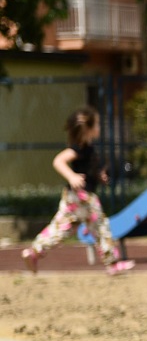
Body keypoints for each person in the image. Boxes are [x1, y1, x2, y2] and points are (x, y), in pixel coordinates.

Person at [22, 106, 135, 276]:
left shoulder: (87, 148)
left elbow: (89, 169)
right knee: (101, 226)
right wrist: (71, 176)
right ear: (87, 129)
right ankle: (112, 263)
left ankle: (34, 252)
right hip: (83, 197)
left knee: (60, 228)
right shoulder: (79, 148)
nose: (99, 127)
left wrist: (99, 175)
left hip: (73, 199)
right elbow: (58, 161)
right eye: (97, 124)